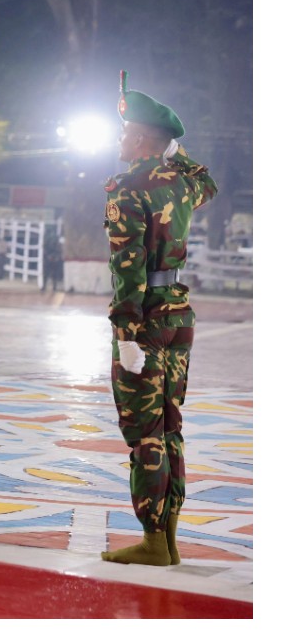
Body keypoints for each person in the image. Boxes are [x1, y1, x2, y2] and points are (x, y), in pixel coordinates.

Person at [99, 72, 218, 567]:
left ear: (144, 139)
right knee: (170, 426)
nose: (120, 140)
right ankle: (168, 538)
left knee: (143, 430)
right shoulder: (183, 185)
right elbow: (208, 181)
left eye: (126, 132)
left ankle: (152, 541)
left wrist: (125, 331)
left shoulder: (127, 187)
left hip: (145, 319)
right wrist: (177, 153)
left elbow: (126, 266)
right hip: (179, 314)